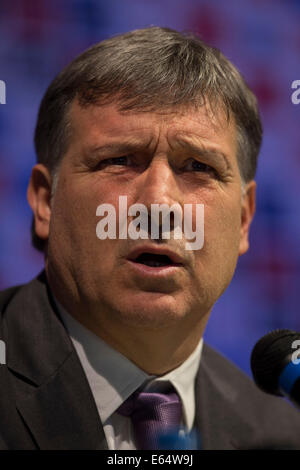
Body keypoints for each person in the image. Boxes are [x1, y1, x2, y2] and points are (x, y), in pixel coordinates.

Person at [0, 26, 299, 451]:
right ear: (46, 201)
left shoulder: (278, 437)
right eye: (119, 160)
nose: (158, 204)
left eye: (198, 167)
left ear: (244, 220)